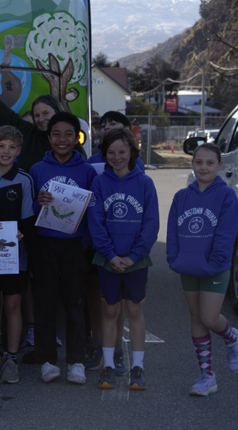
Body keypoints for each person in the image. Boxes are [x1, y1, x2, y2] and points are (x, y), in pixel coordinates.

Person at [166, 143, 238, 396]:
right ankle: (207, 375)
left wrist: (215, 262)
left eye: (210, 163)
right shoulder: (181, 196)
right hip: (187, 265)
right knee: (196, 318)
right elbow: (173, 231)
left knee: (210, 318)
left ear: (220, 166)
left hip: (214, 267)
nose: (204, 167)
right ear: (192, 164)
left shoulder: (227, 195)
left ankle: (231, 338)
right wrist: (173, 257)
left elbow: (226, 233)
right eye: (199, 162)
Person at [27, 112, 98, 385]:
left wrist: (84, 244)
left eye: (69, 134)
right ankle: (47, 360)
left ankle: (76, 361)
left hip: (74, 246)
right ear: (48, 137)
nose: (62, 139)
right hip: (44, 244)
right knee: (44, 304)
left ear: (77, 137)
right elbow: (30, 211)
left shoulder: (87, 171)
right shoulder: (37, 170)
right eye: (56, 134)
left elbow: (93, 214)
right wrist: (38, 203)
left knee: (75, 304)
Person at [88, 128, 159, 391]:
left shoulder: (144, 183)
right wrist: (110, 254)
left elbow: (151, 224)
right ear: (104, 154)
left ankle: (137, 367)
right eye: (111, 152)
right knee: (110, 310)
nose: (117, 157)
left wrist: (134, 255)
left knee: (134, 310)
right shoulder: (100, 182)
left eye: (122, 152)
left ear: (132, 151)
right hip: (108, 259)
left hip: (135, 260)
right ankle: (108, 364)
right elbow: (95, 222)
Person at [85, 110, 142, 374]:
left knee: (123, 304)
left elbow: (148, 220)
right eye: (103, 125)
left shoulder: (138, 174)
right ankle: (100, 344)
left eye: (114, 125)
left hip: (130, 252)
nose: (107, 128)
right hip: (101, 248)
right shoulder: (93, 165)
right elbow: (92, 212)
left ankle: (117, 348)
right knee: (103, 300)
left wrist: (135, 253)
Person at [0, 126, 33, 385]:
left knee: (12, 306)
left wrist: (21, 233)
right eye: (1, 146)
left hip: (14, 255)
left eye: (12, 147)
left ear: (18, 151)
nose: (6, 151)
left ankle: (12, 359)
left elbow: (28, 220)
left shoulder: (24, 179)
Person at [0, 67, 84, 171]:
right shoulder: (28, 131)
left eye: (46, 113)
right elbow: (2, 111)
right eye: (36, 115)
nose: (41, 119)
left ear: (57, 111)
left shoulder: (69, 141)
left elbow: (84, 172)